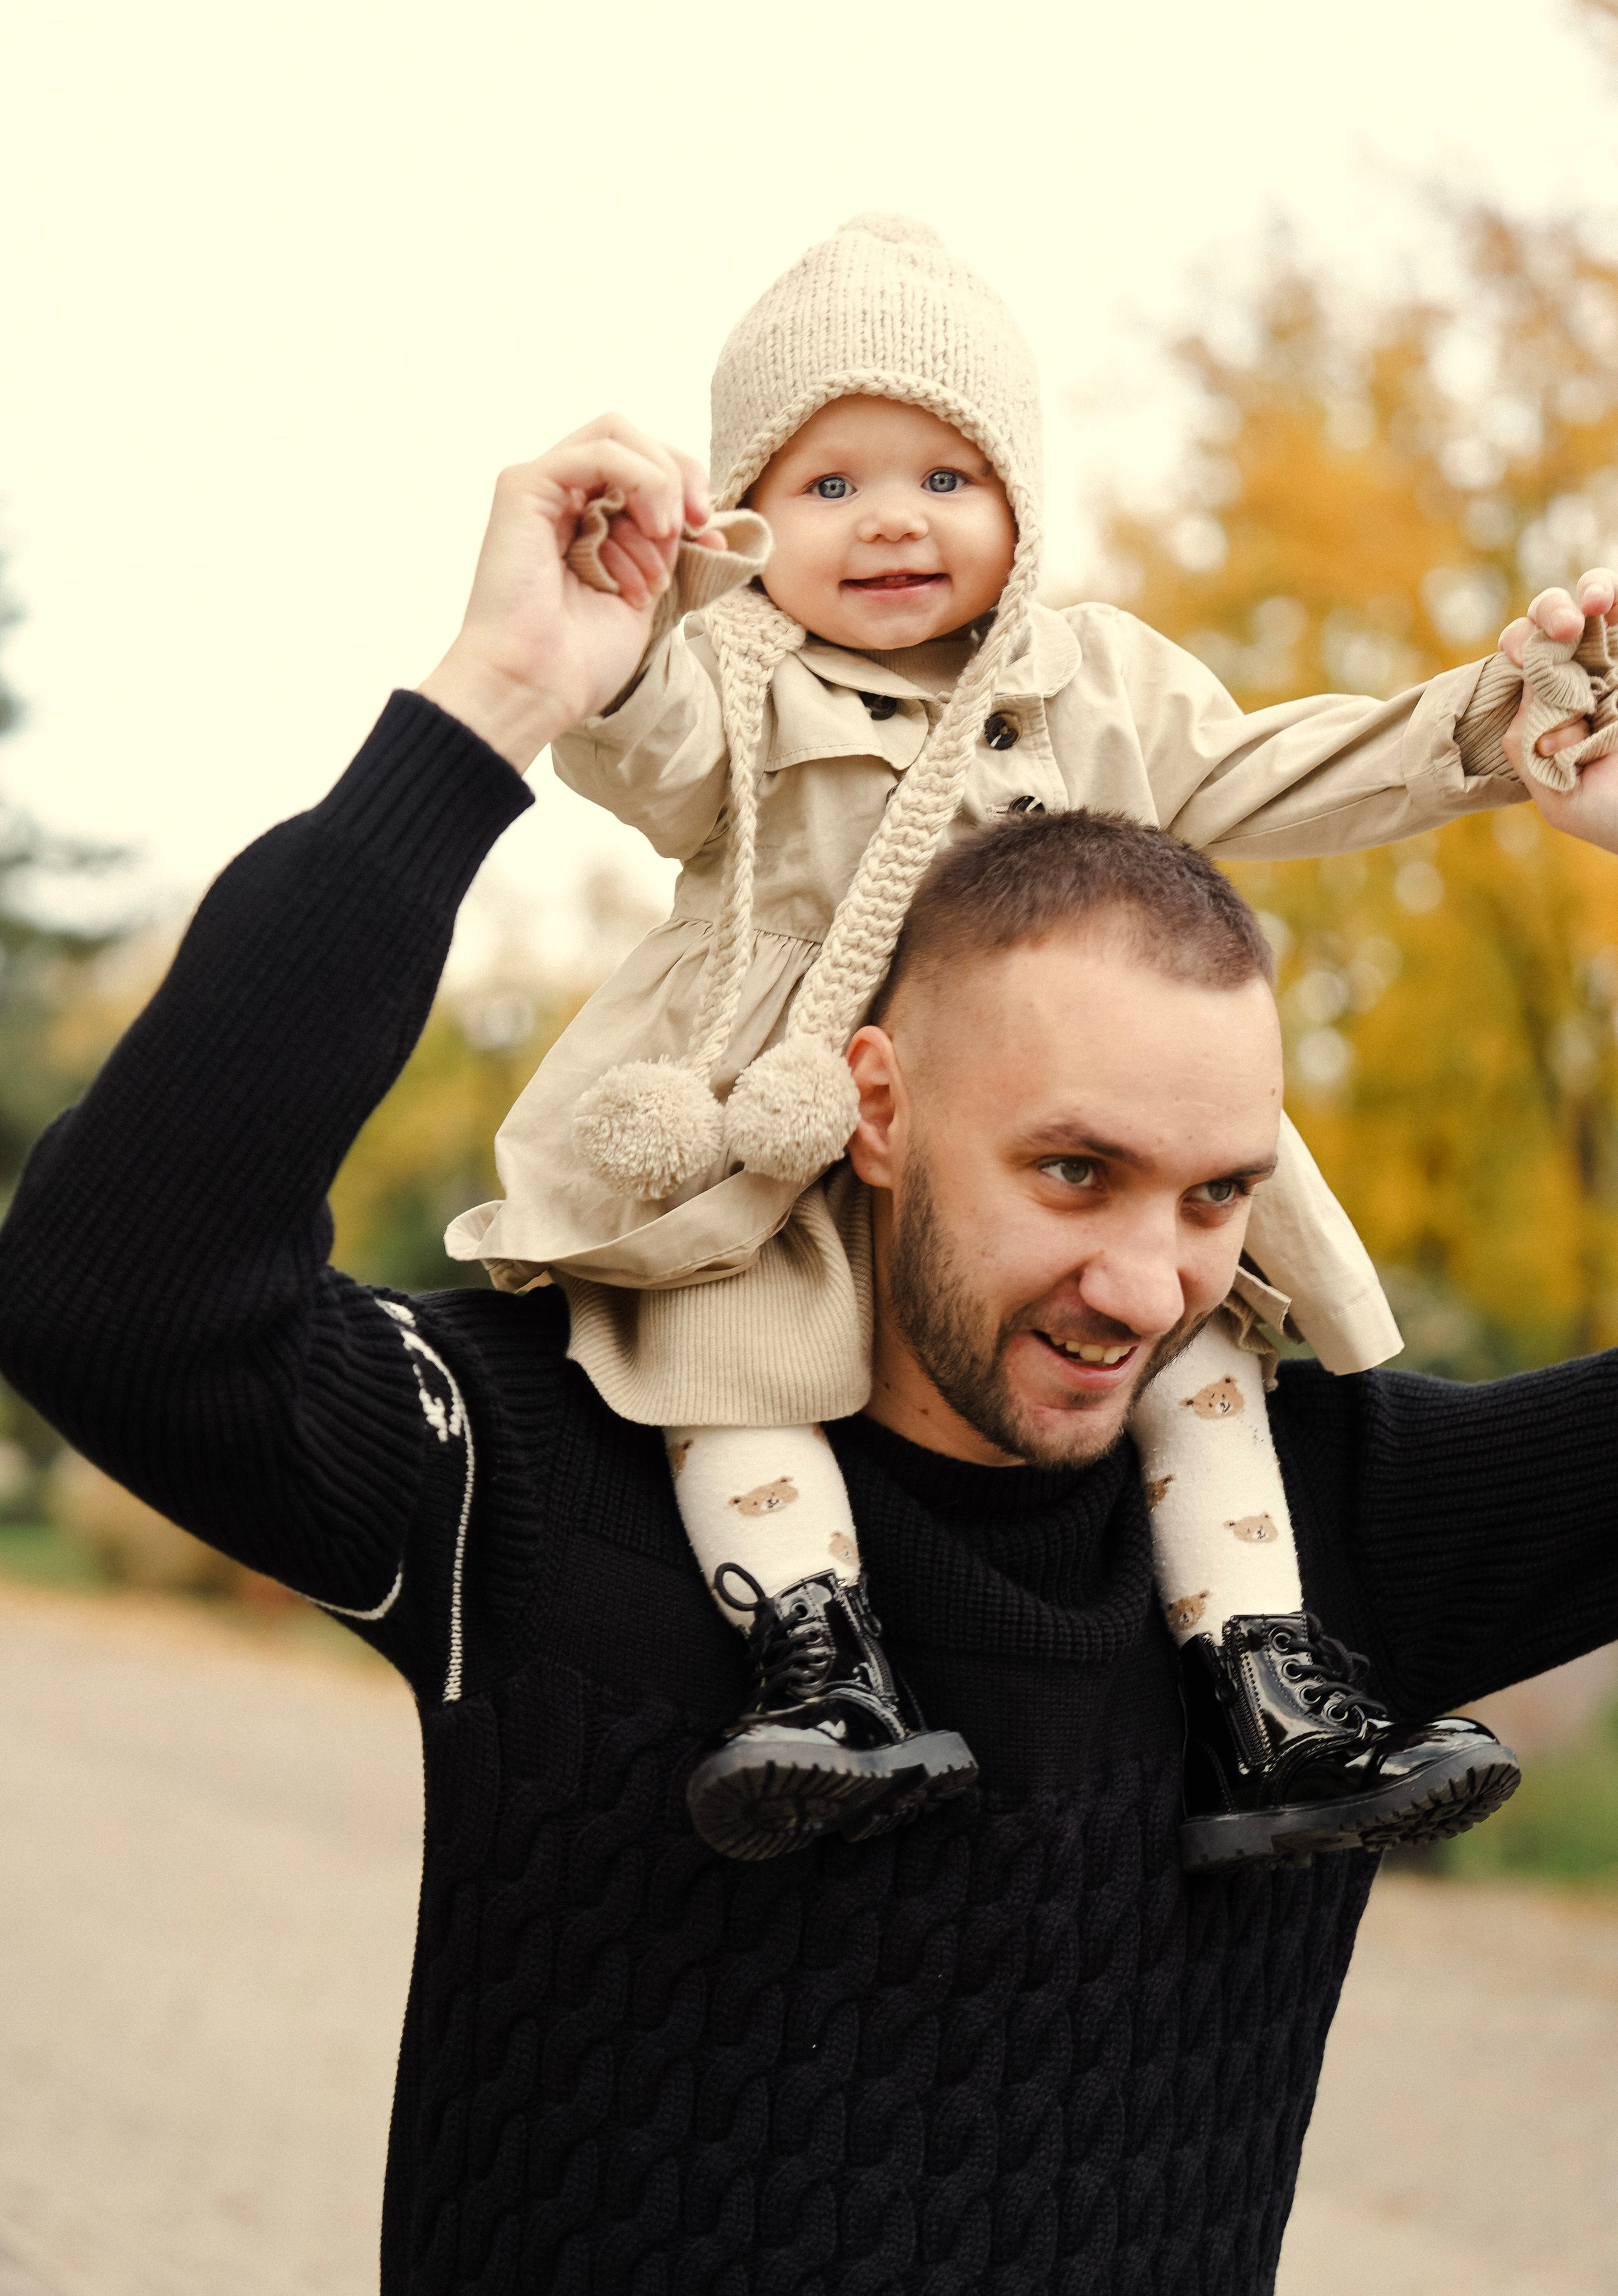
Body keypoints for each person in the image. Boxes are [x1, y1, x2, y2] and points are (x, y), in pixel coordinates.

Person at [0, 411, 1615, 2290]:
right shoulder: (546, 1458)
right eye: (1074, 1172)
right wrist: (494, 700)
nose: (1148, 1284)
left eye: (1214, 1197)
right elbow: (115, 1293)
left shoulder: (1344, 1535)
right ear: (876, 1105)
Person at [439, 215, 1607, 1864]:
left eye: (947, 475)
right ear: (747, 519)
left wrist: (1493, 717)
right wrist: (616, 643)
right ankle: (820, 1671)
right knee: (729, 1345)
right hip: (781, 1120)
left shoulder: (1097, 680)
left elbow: (1280, 770)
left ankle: (1266, 1692)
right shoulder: (734, 677)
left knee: (1203, 1359)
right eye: (829, 484)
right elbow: (647, 754)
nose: (892, 518)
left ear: (1021, 505)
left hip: (1065, 1134)